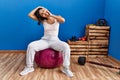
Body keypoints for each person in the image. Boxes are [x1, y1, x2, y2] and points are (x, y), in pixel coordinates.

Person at [20, 6, 73, 77]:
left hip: (55, 41)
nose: (43, 13)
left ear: (47, 10)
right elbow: (29, 15)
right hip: (44, 41)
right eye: (41, 13)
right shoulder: (43, 21)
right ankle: (29, 67)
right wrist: (38, 7)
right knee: (31, 46)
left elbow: (63, 20)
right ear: (42, 16)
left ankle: (66, 68)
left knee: (66, 46)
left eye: (43, 10)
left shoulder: (57, 17)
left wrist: (51, 15)